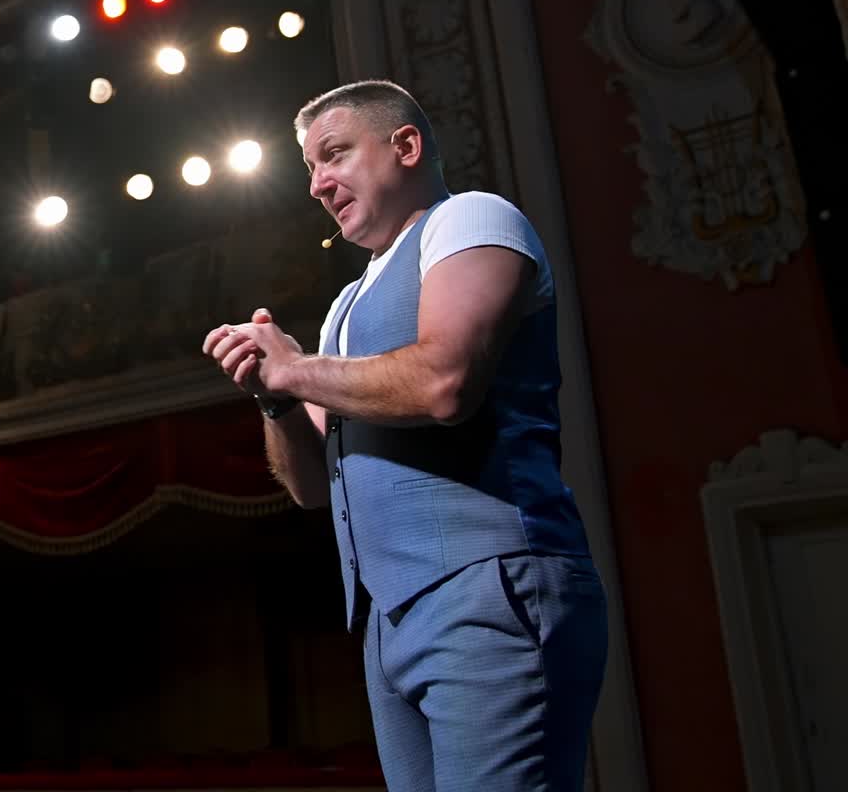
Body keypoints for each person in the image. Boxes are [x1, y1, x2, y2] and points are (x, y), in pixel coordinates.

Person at [203, 80, 607, 792]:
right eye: (308, 169)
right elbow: (308, 489)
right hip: (388, 622)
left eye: (332, 155)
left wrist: (298, 369)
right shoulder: (345, 305)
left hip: (489, 587)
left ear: (406, 146)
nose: (317, 184)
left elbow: (445, 382)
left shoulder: (471, 219)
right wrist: (275, 399)